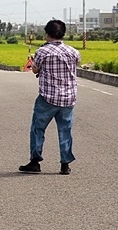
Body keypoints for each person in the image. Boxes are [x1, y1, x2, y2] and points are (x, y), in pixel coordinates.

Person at [20, 19, 80, 175]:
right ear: (63, 33)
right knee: (65, 130)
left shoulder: (42, 52)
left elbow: (35, 70)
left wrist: (36, 65)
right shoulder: (73, 52)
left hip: (47, 98)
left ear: (47, 33)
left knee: (37, 129)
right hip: (68, 98)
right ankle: (65, 164)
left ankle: (35, 162)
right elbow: (77, 64)